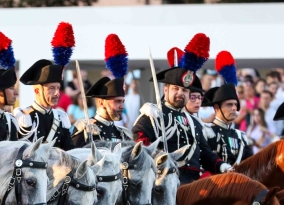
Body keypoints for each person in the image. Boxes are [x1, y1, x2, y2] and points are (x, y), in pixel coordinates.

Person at [132, 33, 229, 184]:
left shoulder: (194, 123)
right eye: (176, 89)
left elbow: (205, 153)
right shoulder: (154, 114)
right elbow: (138, 140)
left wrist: (222, 165)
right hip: (165, 181)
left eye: (184, 90)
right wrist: (158, 157)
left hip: (194, 183)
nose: (180, 93)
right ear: (166, 90)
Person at [14, 23, 75, 150]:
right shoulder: (25, 116)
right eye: (52, 88)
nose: (57, 93)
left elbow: (69, 151)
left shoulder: (61, 117)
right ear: (37, 90)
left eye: (58, 88)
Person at [72, 34, 131, 147]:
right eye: (117, 101)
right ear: (101, 102)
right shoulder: (86, 131)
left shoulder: (123, 135)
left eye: (122, 101)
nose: (122, 106)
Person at [202, 51, 253, 166]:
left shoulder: (241, 137)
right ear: (217, 108)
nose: (234, 108)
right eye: (229, 105)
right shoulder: (206, 132)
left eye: (235, 104)